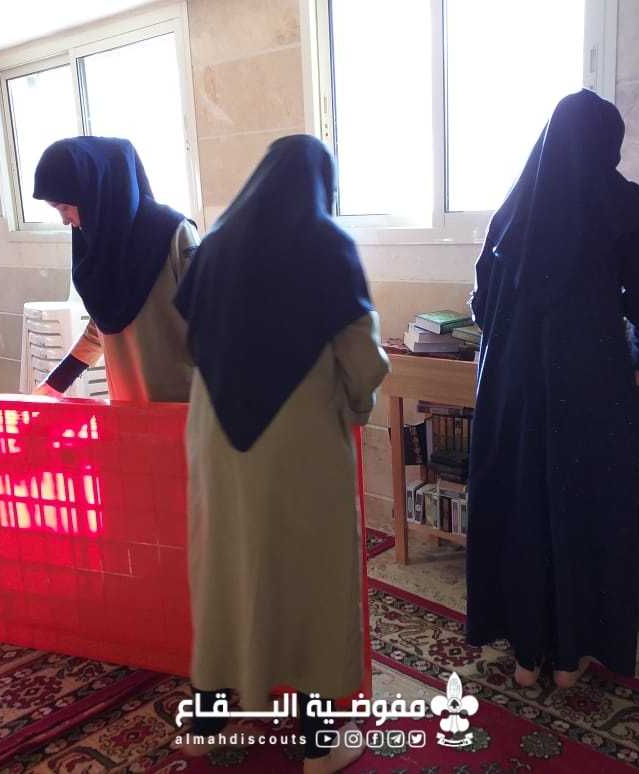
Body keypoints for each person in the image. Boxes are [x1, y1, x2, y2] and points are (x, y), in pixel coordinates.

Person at [172, 134, 389, 772]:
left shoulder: (215, 245)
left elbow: (191, 340)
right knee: (312, 575)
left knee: (224, 569)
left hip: (215, 434)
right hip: (299, 439)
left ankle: (209, 721)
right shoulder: (328, 244)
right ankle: (319, 742)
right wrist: (356, 408)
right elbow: (363, 361)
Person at [465, 90, 639, 690]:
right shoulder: (626, 203)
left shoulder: (514, 208)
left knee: (522, 503)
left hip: (512, 385)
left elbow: (482, 302)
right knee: (583, 506)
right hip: (589, 383)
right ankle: (569, 656)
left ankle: (526, 654)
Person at [30, 136, 198, 401]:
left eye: (65, 207)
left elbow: (211, 323)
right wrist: (55, 383)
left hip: (182, 409)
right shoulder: (99, 249)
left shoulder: (173, 234)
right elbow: (104, 325)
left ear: (95, 193)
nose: (64, 220)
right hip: (126, 407)